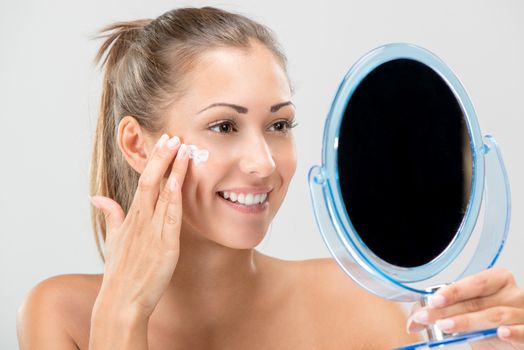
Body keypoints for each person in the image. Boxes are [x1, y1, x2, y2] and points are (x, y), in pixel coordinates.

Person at [16, 6, 524, 349]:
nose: (263, 163)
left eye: (278, 125)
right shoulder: (63, 316)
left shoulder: (374, 302)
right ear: (137, 144)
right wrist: (122, 318)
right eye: (223, 126)